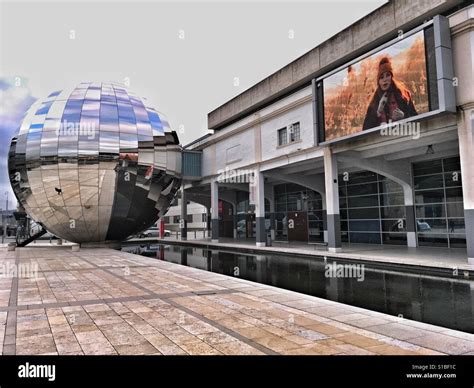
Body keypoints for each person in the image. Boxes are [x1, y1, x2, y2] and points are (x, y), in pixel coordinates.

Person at [362, 56, 417, 130]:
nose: (385, 80)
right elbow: (366, 129)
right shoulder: (374, 103)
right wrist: (378, 112)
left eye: (387, 75)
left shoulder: (404, 95)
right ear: (379, 81)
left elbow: (416, 120)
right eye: (381, 77)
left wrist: (404, 117)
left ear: (392, 77)